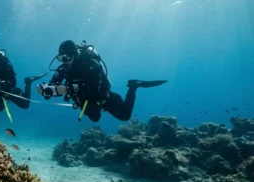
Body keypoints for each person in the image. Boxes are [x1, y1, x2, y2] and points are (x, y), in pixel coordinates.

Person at [37, 40, 167, 122]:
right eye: (61, 58)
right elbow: (54, 83)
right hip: (84, 101)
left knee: (125, 116)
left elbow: (93, 90)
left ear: (74, 54)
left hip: (101, 96)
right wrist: (46, 90)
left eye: (67, 57)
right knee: (95, 118)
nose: (64, 61)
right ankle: (95, 110)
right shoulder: (64, 69)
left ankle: (133, 86)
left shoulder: (91, 65)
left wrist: (67, 90)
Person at [0, 43, 47, 112]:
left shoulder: (4, 63)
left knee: (25, 105)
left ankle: (28, 82)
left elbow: (13, 82)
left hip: (7, 90)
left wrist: (3, 85)